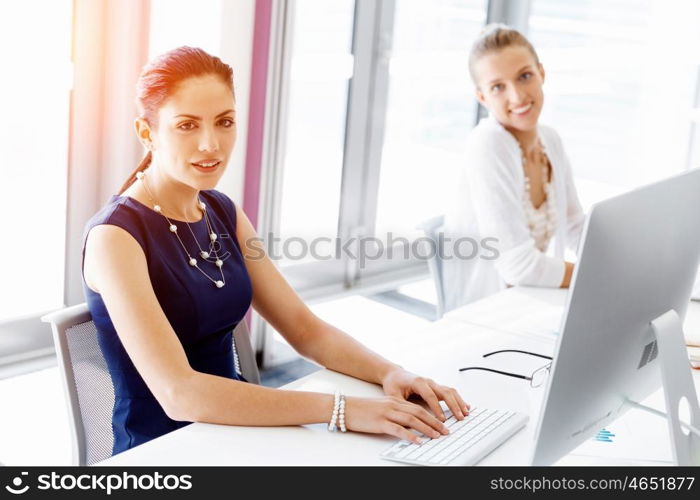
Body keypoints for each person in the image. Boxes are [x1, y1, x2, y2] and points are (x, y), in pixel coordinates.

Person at [81, 46, 469, 456]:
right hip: (166, 450)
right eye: (187, 125)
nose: (210, 144)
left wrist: (391, 373)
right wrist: (342, 410)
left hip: (240, 432)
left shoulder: (220, 211)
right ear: (146, 133)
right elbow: (180, 394)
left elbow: (305, 330)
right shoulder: (115, 237)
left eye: (224, 122)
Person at [443, 24, 585, 311]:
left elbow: (575, 227)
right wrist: (593, 278)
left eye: (525, 76)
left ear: (541, 73)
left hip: (532, 301)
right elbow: (518, 266)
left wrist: (630, 263)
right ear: (482, 97)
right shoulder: (488, 144)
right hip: (488, 313)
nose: (517, 97)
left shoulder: (550, 140)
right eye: (498, 87)